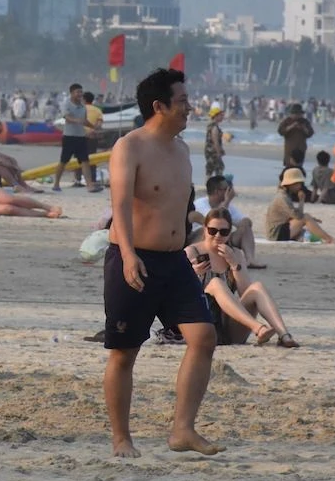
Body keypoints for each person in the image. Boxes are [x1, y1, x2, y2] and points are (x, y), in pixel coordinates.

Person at [102, 68, 222, 458]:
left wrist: (201, 241)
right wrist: (129, 255)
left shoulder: (183, 149)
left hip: (176, 262)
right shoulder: (129, 146)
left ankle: (183, 430)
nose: (190, 108)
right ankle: (122, 438)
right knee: (125, 351)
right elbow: (119, 204)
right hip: (133, 259)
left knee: (203, 338)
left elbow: (177, 209)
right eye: (184, 102)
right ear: (160, 106)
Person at [186, 209, 297, 347]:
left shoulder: (236, 254)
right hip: (204, 323)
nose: (218, 236)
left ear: (229, 233)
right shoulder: (192, 252)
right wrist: (191, 274)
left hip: (231, 325)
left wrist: (234, 264)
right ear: (205, 229)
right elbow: (176, 293)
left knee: (257, 287)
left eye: (224, 232)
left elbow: (245, 292)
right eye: (213, 231)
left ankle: (284, 335)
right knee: (216, 283)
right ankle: (258, 328)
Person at [190, 175, 258, 263]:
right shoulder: (200, 203)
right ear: (217, 191)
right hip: (202, 237)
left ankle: (250, 259)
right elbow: (213, 221)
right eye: (226, 189)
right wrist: (226, 201)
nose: (229, 191)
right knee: (206, 230)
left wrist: (244, 224)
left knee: (246, 228)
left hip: (222, 237)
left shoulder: (227, 206)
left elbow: (246, 220)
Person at [265, 168, 335, 242]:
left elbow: (291, 215)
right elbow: (299, 216)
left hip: (278, 230)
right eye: (298, 183)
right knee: (305, 217)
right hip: (276, 234)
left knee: (306, 232)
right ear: (291, 184)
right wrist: (301, 200)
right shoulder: (283, 198)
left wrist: (311, 219)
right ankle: (330, 239)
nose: (300, 186)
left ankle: (326, 239)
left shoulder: (283, 194)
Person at [52, 83, 98, 193]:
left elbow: (85, 120)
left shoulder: (83, 106)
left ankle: (89, 185)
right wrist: (76, 120)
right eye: (77, 92)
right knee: (64, 161)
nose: (80, 94)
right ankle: (56, 184)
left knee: (85, 161)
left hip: (81, 137)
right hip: (69, 137)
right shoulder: (67, 103)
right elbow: (66, 117)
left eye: (81, 92)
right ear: (72, 93)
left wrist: (93, 128)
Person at [277, 103, 314, 169]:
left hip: (300, 149)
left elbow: (310, 133)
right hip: (290, 149)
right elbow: (280, 131)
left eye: (299, 114)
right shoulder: (287, 121)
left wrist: (303, 128)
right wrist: (291, 126)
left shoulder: (305, 121)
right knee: (288, 168)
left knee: (299, 168)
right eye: (295, 114)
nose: (297, 115)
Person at [204, 105, 226, 180]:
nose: (222, 117)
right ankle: (216, 186)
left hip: (209, 151)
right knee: (219, 168)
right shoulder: (214, 127)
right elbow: (215, 141)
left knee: (210, 169)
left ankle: (209, 186)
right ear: (216, 116)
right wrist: (219, 152)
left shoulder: (210, 126)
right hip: (213, 152)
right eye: (220, 115)